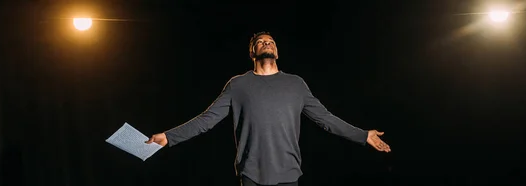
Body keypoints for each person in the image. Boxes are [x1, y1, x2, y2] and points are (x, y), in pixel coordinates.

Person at [146, 31, 391, 186]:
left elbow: (325, 118)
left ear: (277, 51)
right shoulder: (237, 84)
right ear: (253, 51)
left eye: (271, 42)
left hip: (288, 173)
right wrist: (169, 137)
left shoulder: (296, 84)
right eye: (261, 42)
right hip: (252, 173)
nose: (267, 44)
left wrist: (362, 135)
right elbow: (207, 120)